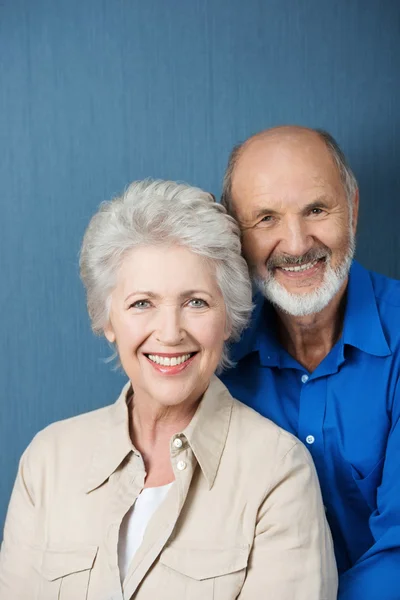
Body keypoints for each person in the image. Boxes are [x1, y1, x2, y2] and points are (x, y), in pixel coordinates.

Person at [0, 180, 337, 600]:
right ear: (107, 319)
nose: (170, 332)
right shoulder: (46, 463)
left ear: (229, 319)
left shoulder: (278, 474)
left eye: (196, 302)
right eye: (142, 303)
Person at [219, 125, 400, 600]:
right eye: (266, 219)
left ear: (353, 209)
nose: (297, 244)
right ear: (235, 235)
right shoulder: (214, 356)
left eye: (316, 209)